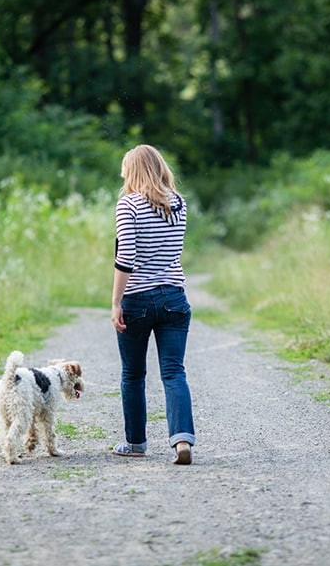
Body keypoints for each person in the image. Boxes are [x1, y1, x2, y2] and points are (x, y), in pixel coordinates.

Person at [110, 144, 195, 465]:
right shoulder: (179, 203)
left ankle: (136, 443)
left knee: (133, 374)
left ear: (132, 172)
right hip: (174, 296)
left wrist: (116, 301)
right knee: (174, 371)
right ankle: (182, 439)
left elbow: (126, 257)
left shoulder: (128, 205)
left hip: (138, 300)